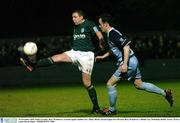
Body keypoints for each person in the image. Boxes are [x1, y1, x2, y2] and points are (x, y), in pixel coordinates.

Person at [20, 10, 105, 114]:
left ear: (81, 17)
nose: (73, 19)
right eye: (72, 17)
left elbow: (98, 33)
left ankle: (96, 107)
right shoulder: (75, 27)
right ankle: (32, 64)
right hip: (74, 52)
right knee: (57, 57)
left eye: (75, 17)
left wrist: (101, 40)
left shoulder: (89, 23)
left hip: (86, 56)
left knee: (87, 83)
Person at [95, 13, 174, 115]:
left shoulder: (112, 34)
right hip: (133, 60)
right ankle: (165, 93)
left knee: (110, 84)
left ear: (106, 24)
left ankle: (112, 110)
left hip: (129, 63)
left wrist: (125, 64)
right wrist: (103, 56)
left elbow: (126, 46)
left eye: (100, 24)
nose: (99, 26)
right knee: (139, 84)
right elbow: (115, 49)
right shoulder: (111, 33)